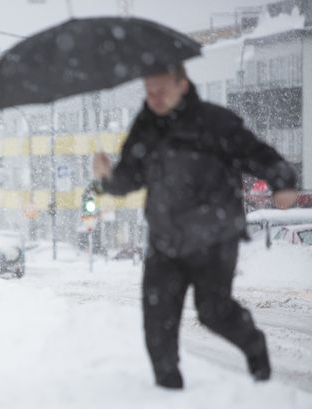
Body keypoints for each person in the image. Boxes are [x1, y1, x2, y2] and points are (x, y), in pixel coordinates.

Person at [93, 64, 298, 390]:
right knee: (157, 323)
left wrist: (282, 183)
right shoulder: (145, 128)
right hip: (165, 242)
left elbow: (256, 154)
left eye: (161, 90)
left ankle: (254, 346)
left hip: (214, 238)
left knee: (214, 313)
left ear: (182, 85)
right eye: (149, 91)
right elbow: (130, 179)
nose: (154, 98)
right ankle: (169, 393)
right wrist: (107, 178)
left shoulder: (216, 122)